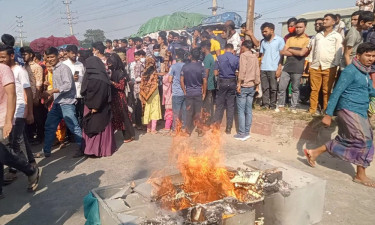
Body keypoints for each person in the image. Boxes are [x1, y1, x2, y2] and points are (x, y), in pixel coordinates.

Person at [304, 42, 375, 188]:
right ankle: (360, 175)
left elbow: (369, 91)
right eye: (368, 55)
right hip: (348, 109)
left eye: (373, 56)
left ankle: (314, 152)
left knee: (348, 140)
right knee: (364, 140)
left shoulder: (365, 72)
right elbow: (336, 92)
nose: (371, 58)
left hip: (360, 111)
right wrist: (328, 114)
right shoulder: (350, 71)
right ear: (358, 55)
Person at [0, 63, 40, 197]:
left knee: (5, 152)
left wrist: (8, 121)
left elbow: (12, 95)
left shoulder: (4, 69)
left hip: (4, 116)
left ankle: (30, 170)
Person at [37, 47, 83, 158]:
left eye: (52, 57)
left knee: (73, 126)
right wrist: (50, 95)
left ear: (58, 56)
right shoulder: (54, 69)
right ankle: (46, 151)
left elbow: (68, 85)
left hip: (67, 103)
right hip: (58, 102)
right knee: (49, 126)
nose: (50, 59)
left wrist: (52, 91)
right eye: (48, 57)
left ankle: (82, 148)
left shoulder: (64, 68)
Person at [81, 56, 116, 157]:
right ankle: (101, 149)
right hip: (102, 106)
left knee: (94, 126)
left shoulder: (91, 76)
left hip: (94, 106)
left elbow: (85, 91)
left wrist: (95, 106)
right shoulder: (102, 76)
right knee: (100, 126)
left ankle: (93, 150)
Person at [308, 14, 343, 115]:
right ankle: (312, 110)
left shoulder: (337, 36)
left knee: (326, 90)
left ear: (333, 22)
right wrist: (310, 62)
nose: (324, 21)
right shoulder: (318, 35)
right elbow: (313, 50)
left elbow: (338, 51)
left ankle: (326, 110)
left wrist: (335, 65)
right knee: (314, 89)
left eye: (327, 19)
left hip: (329, 66)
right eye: (324, 19)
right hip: (315, 66)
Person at [277, 18, 310, 113]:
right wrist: (297, 51)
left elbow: (302, 53)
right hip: (287, 67)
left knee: (295, 88)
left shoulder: (307, 40)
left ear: (305, 27)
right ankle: (281, 105)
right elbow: (283, 51)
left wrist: (290, 50)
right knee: (282, 87)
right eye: (297, 27)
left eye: (300, 27)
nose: (298, 29)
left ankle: (293, 107)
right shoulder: (290, 39)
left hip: (298, 67)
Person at [234, 40, 260, 141]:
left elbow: (242, 71)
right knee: (248, 110)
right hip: (252, 86)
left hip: (244, 85)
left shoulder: (243, 56)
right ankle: (247, 132)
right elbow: (257, 72)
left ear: (244, 47)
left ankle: (241, 133)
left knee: (241, 110)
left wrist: (239, 84)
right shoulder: (254, 57)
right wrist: (257, 85)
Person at [107, 53, 135, 143]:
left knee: (124, 117)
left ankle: (128, 136)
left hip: (120, 98)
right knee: (119, 117)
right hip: (115, 98)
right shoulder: (114, 72)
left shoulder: (120, 73)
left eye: (110, 63)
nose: (109, 65)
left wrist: (111, 82)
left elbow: (121, 87)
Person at [180, 48, 207, 136]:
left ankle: (188, 131)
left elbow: (181, 80)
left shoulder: (185, 67)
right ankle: (199, 130)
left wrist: (184, 91)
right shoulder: (201, 67)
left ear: (190, 56)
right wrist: (204, 93)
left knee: (189, 112)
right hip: (198, 92)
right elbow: (205, 81)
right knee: (198, 112)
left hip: (189, 92)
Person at [213, 44, 239, 134]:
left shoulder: (219, 58)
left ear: (224, 49)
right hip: (232, 82)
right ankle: (228, 128)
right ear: (232, 50)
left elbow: (215, 72)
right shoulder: (236, 59)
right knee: (230, 106)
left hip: (222, 81)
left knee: (219, 105)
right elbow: (238, 72)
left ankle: (216, 126)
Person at [21, 46, 45, 144]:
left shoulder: (37, 67)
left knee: (38, 118)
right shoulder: (23, 67)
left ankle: (40, 137)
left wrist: (36, 97)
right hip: (26, 97)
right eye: (22, 55)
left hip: (35, 96)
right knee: (28, 118)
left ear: (31, 55)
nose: (23, 56)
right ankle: (30, 137)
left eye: (25, 54)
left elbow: (39, 83)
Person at [259, 22, 285, 110]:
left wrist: (279, 68)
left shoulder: (279, 40)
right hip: (264, 67)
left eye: (265, 31)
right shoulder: (263, 42)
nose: (264, 33)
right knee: (264, 87)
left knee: (273, 88)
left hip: (274, 68)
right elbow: (262, 54)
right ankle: (265, 104)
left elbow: (282, 55)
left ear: (272, 30)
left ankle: (273, 105)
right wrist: (260, 66)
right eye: (263, 32)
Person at [63, 45, 85, 125]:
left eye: (75, 53)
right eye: (72, 53)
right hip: (69, 95)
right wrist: (71, 78)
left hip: (79, 94)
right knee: (71, 115)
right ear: (67, 53)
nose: (74, 55)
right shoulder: (64, 65)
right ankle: (71, 134)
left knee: (80, 115)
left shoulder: (80, 64)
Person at [139, 57, 162, 134]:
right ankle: (153, 129)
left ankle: (148, 128)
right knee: (154, 110)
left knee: (147, 110)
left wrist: (144, 94)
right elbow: (155, 84)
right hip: (154, 93)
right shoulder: (154, 73)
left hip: (146, 95)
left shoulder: (144, 73)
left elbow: (142, 85)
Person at [168, 48, 186, 133]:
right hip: (185, 92)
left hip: (176, 93)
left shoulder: (173, 66)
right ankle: (183, 128)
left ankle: (175, 129)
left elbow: (169, 79)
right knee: (184, 112)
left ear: (177, 56)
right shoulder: (186, 65)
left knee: (176, 112)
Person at [201, 40, 216, 129]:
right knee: (209, 105)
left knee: (207, 105)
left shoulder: (207, 58)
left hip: (207, 85)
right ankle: (208, 123)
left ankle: (207, 123)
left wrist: (203, 87)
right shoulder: (211, 57)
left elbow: (205, 74)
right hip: (210, 84)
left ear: (204, 48)